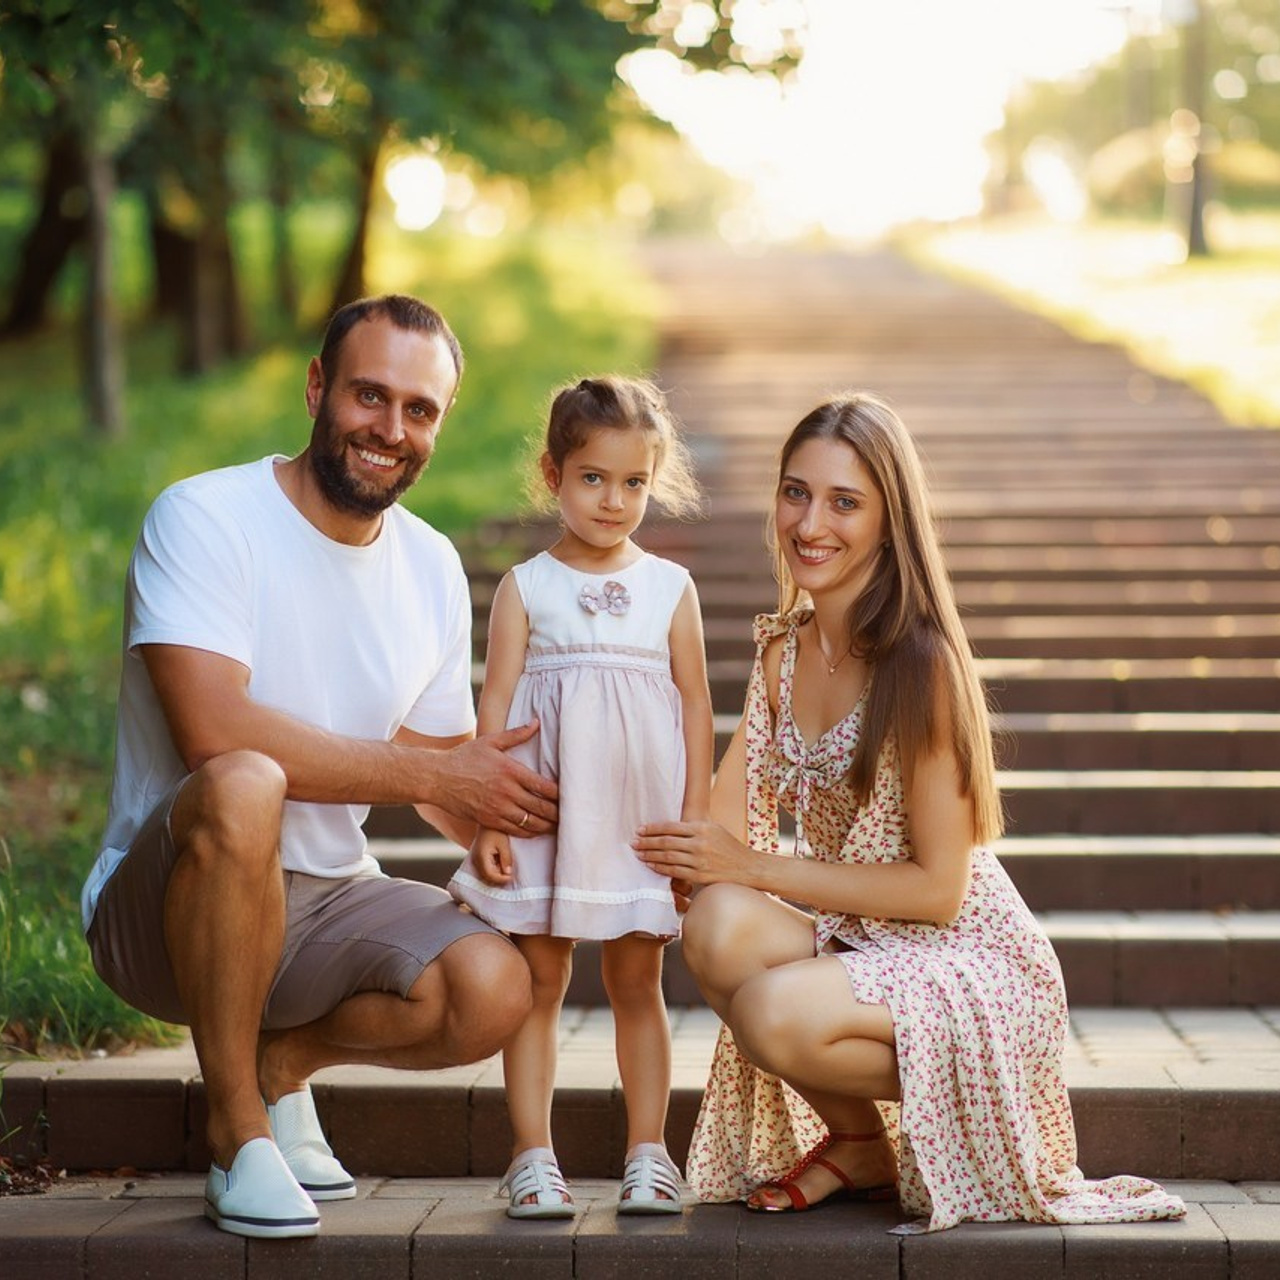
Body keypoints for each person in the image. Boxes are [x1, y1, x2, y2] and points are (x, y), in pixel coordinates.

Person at [633, 393, 1187, 1233]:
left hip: (971, 958)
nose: (810, 522)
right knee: (714, 925)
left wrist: (748, 868)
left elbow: (938, 890)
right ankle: (860, 1145)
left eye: (844, 502)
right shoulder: (783, 647)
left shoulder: (919, 664)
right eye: (795, 492)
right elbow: (722, 836)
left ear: (891, 522)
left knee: (768, 1011)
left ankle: (904, 1127)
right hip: (868, 939)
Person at [80, 294, 559, 1240]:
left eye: (419, 410)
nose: (390, 429)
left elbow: (437, 769)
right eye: (368, 396)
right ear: (316, 388)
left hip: (327, 899)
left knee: (491, 988)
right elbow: (214, 732)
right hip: (168, 902)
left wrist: (549, 836)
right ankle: (237, 1132)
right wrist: (434, 779)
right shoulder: (206, 517)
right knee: (247, 781)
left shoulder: (426, 564)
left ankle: (277, 1067)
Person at [447, 376, 713, 1218]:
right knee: (538, 980)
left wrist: (695, 818)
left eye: (634, 482)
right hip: (547, 811)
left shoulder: (671, 588)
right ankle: (531, 1156)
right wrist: (489, 815)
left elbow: (698, 706)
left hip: (640, 816)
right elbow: (493, 710)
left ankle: (649, 1153)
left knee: (639, 978)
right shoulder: (528, 587)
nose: (614, 499)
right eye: (593, 478)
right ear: (553, 473)